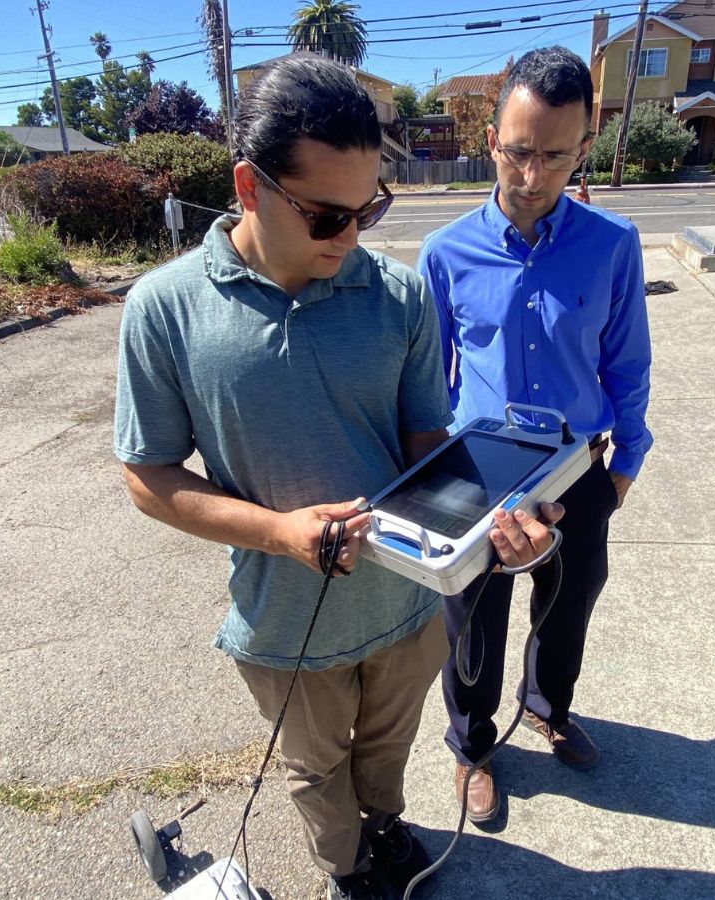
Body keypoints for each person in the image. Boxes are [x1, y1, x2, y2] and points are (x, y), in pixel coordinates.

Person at [114, 53, 560, 900]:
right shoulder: (166, 309)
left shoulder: (397, 296)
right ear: (249, 186)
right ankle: (347, 869)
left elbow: (433, 449)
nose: (351, 237)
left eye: (369, 210)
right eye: (325, 216)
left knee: (386, 753)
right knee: (317, 771)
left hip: (406, 608)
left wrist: (504, 524)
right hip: (285, 623)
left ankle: (387, 833)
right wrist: (279, 533)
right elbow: (146, 475)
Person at [417, 46, 653, 824]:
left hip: (579, 467)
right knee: (472, 623)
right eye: (519, 152)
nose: (532, 175)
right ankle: (473, 745)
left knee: (570, 600)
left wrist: (623, 467)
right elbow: (426, 378)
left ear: (584, 147)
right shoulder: (446, 253)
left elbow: (628, 365)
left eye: (554, 155)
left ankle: (550, 706)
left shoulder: (612, 243)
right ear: (491, 139)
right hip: (479, 470)